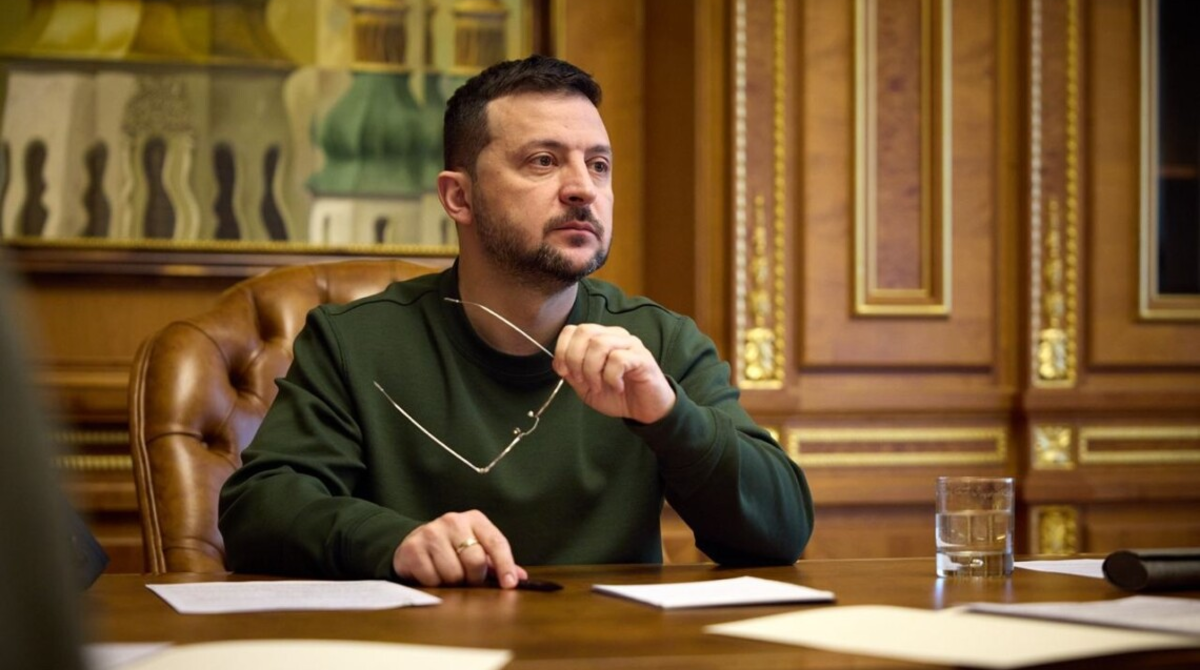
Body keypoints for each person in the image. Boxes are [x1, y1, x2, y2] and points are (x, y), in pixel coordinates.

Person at [218, 54, 814, 589]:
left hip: (609, 649)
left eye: (599, 165)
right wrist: (394, 542)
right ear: (459, 197)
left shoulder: (659, 343)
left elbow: (782, 533)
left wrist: (669, 416)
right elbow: (258, 511)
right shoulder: (354, 342)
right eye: (543, 161)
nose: (582, 189)